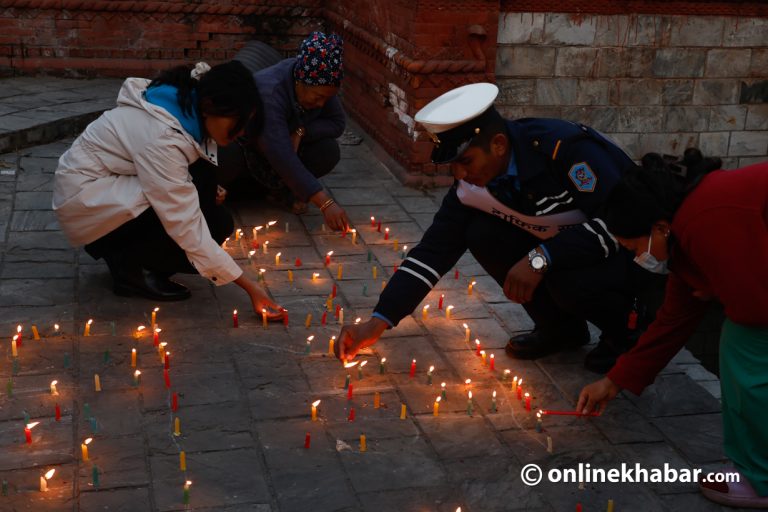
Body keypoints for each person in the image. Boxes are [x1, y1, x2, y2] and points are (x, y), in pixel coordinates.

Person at [334, 82, 656, 372]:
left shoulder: (565, 152)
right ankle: (561, 329)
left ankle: (625, 333)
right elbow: (433, 252)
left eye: (466, 161)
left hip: (629, 256)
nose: (459, 175)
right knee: (482, 233)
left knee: (566, 279)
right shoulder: (472, 187)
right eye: (453, 166)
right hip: (567, 246)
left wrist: (540, 258)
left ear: (499, 144)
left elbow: (622, 224)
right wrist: (378, 321)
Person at [576, 151, 768, 507]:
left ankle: (762, 478)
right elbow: (673, 320)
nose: (636, 257)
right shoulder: (686, 230)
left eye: (633, 246)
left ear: (660, 228)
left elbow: (756, 308)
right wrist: (615, 379)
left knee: (744, 345)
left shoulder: (705, 221)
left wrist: (718, 287)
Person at [53, 61, 283, 319]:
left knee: (208, 197)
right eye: (238, 122)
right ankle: (128, 266)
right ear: (210, 107)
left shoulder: (184, 106)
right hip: (87, 203)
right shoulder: (162, 136)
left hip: (107, 188)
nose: (241, 132)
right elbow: (185, 225)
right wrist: (252, 290)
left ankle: (130, 257)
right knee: (209, 224)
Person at [215, 32, 350, 231]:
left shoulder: (323, 81)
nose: (321, 103)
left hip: (283, 148)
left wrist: (301, 130)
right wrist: (325, 203)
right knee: (225, 157)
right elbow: (281, 155)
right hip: (248, 149)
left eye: (326, 99)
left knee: (327, 150)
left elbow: (337, 123)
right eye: (318, 97)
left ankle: (280, 191)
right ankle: (234, 193)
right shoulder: (270, 92)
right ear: (301, 82)